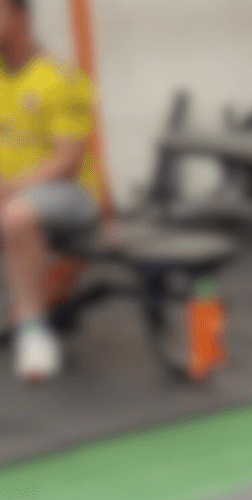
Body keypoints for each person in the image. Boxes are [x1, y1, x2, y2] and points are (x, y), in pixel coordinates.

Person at [0, 0, 103, 382]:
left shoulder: (61, 77)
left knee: (16, 213)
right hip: (12, 191)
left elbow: (67, 162)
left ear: (19, 17)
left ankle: (33, 331)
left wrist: (10, 187)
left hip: (69, 195)